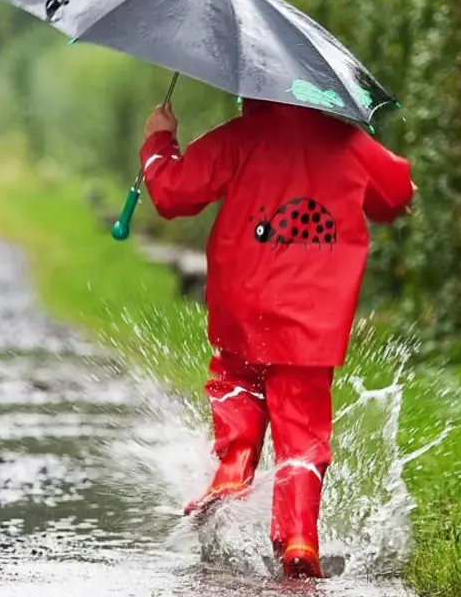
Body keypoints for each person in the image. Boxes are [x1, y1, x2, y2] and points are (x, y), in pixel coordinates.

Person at [139, 95, 414, 580]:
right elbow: (394, 194)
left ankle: (234, 465)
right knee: (303, 431)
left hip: (244, 304)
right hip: (313, 320)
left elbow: (173, 194)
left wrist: (159, 142)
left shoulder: (240, 138)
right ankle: (301, 538)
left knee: (236, 379)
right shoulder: (348, 143)